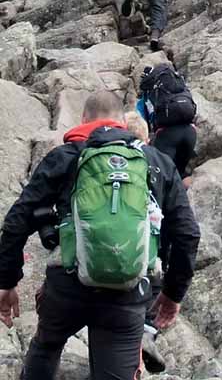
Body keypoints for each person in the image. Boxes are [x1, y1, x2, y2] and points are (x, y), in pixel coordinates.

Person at [0, 90, 200, 380]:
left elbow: (17, 220)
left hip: (67, 287)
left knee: (47, 345)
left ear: (84, 119)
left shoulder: (65, 156)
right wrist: (172, 293)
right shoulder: (155, 161)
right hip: (127, 292)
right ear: (123, 122)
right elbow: (187, 233)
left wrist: (7, 282)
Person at [136, 63, 197, 181]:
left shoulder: (150, 94)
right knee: (180, 173)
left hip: (167, 136)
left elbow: (141, 119)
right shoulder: (180, 87)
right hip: (190, 133)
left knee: (163, 176)